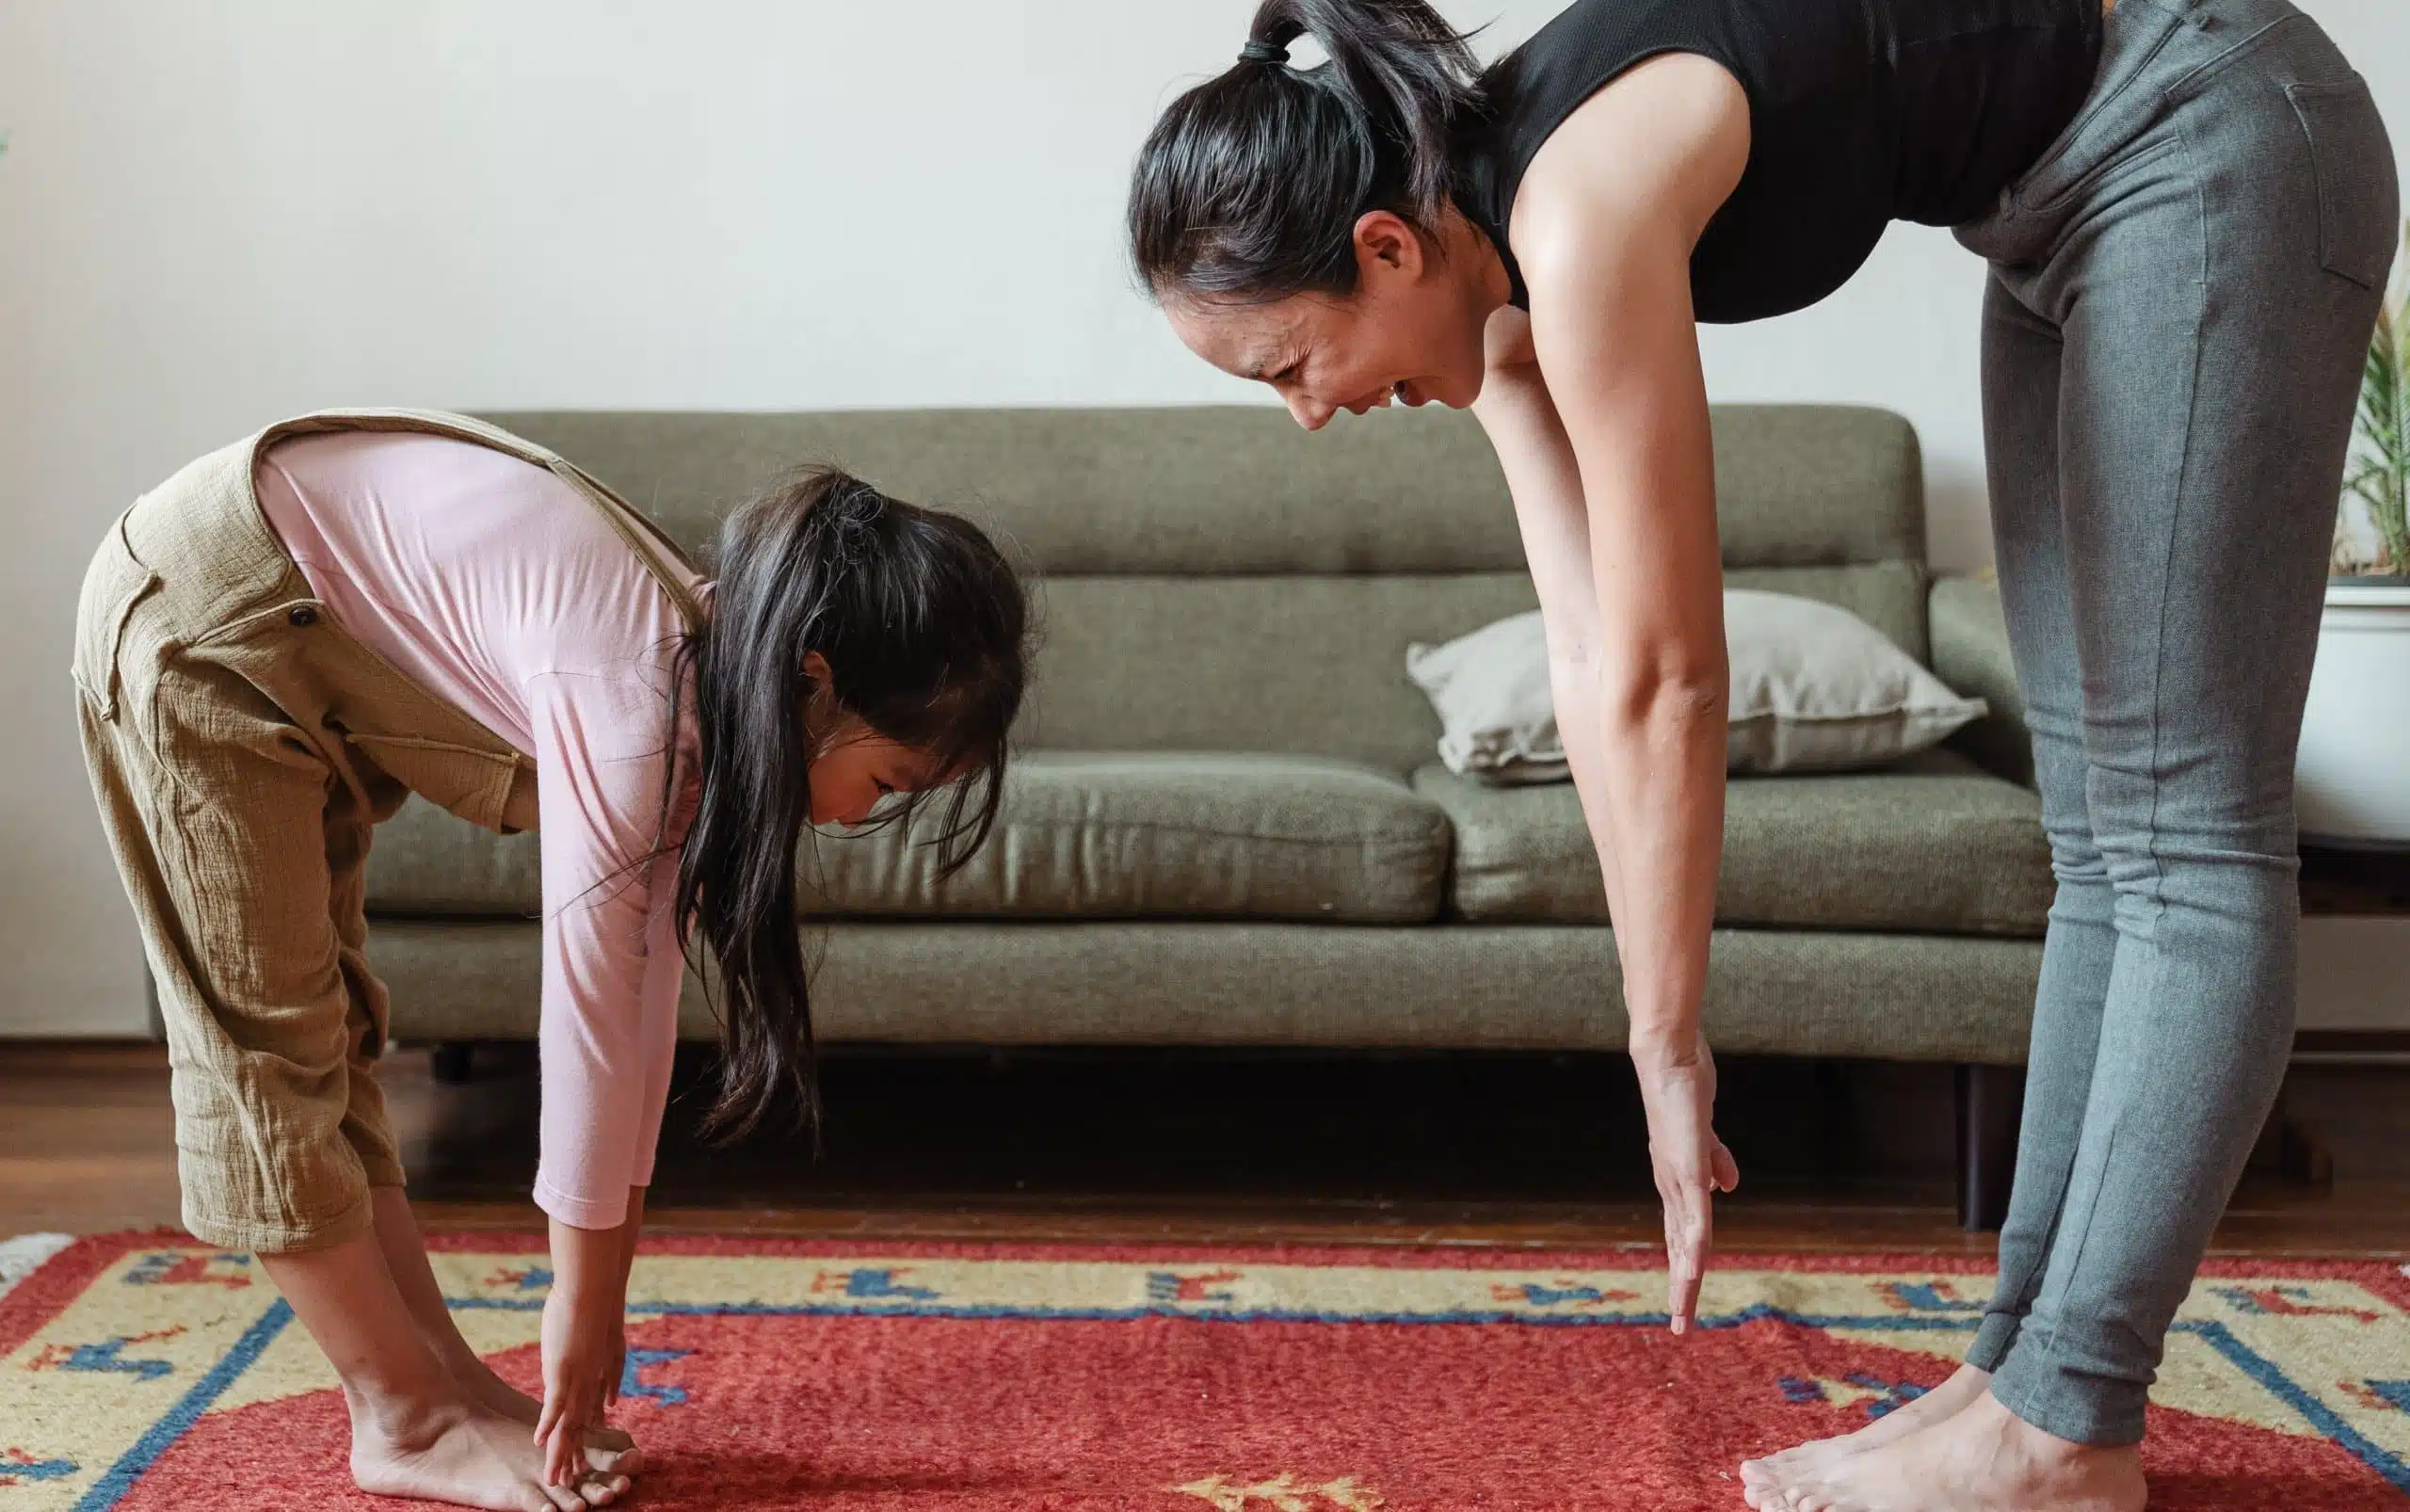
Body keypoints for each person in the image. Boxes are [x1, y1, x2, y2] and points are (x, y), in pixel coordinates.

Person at [1128, 0, 2396, 1507]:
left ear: (1386, 248)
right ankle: (2022, 1375)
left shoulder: (1577, 212)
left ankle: (2071, 1424)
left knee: (2180, 831)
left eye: (1288, 364)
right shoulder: (1500, 283)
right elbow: (1594, 661)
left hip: (2206, 130)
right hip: (2050, 215)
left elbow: (1676, 674)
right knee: (2104, 839)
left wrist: (1676, 1036)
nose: (1311, 415)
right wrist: (1646, 1026)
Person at [73, 410, 1027, 1512]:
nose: (864, 818)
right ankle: (407, 1415)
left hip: (292, 619)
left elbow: (642, 996)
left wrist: (602, 1290)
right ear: (816, 681)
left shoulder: (711, 690)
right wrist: (577, 1303)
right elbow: (589, 1017)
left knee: (333, 1030)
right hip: (203, 615)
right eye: (891, 783)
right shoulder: (636, 698)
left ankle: (443, 1387)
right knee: (268, 1055)